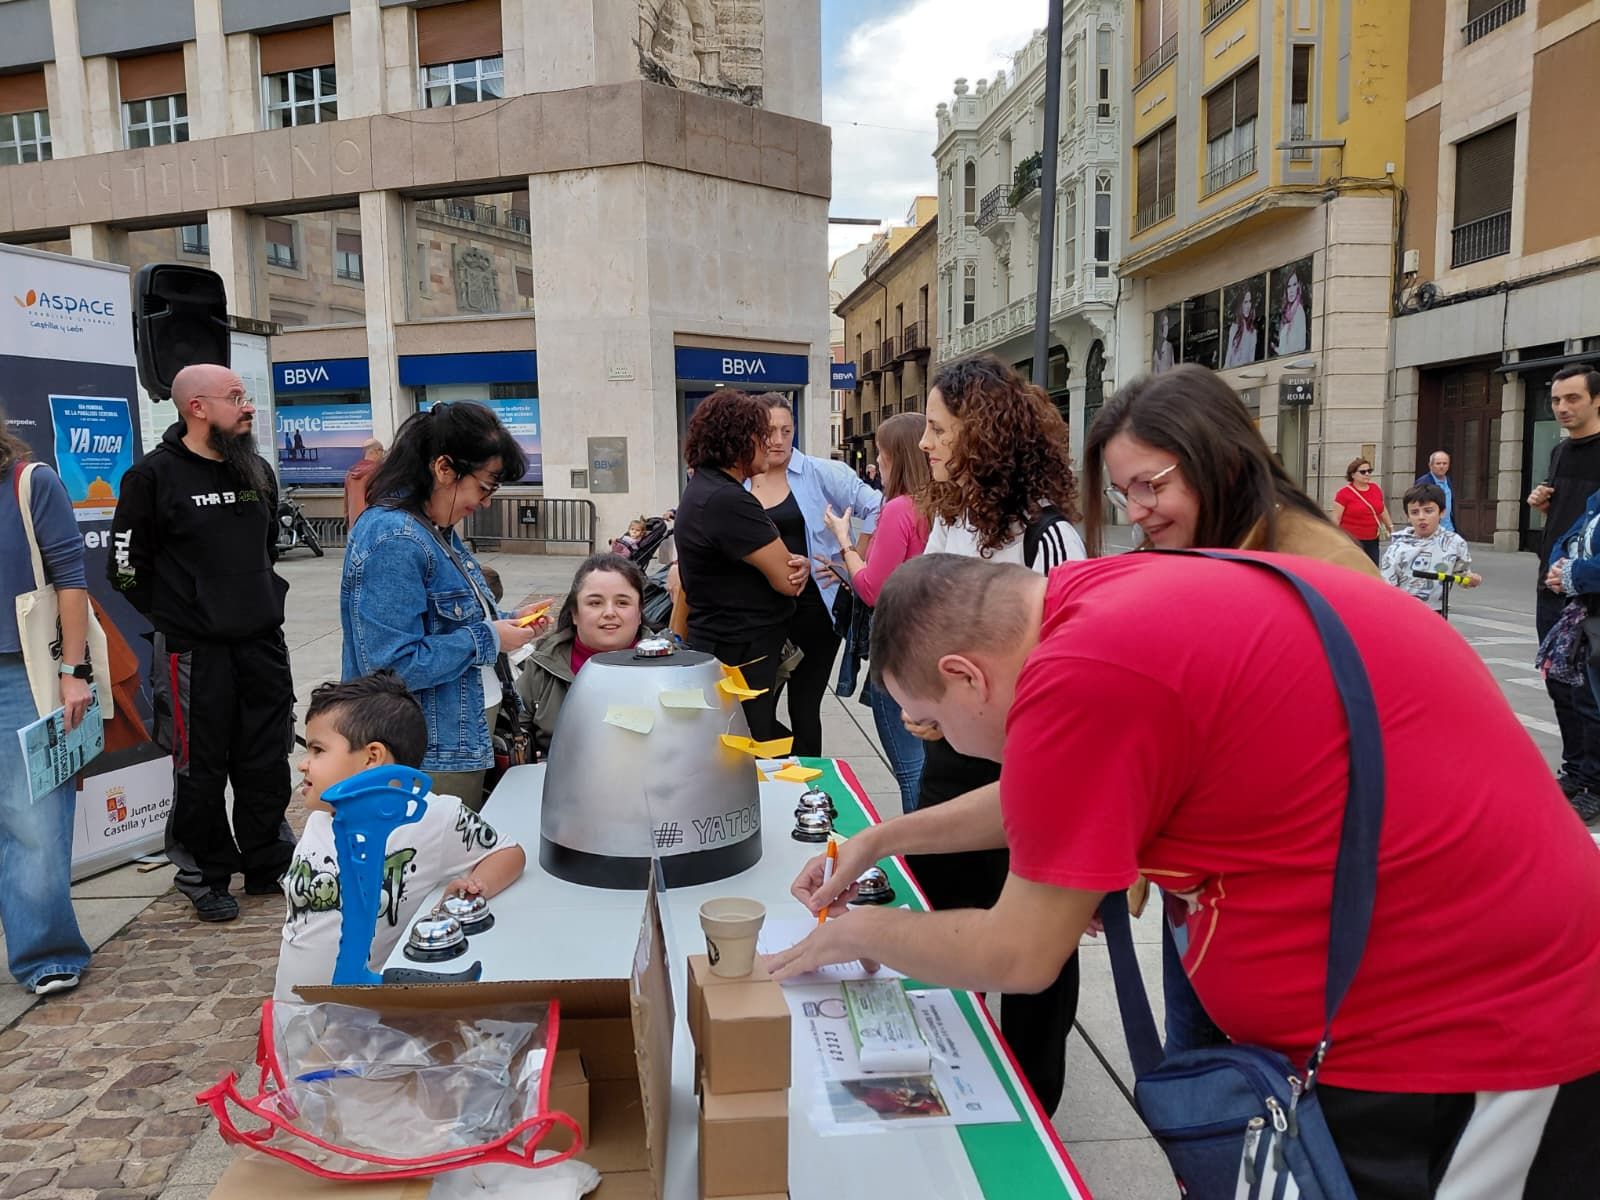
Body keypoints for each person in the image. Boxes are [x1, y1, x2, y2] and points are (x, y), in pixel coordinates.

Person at [772, 552, 1600, 1194]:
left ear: (966, 676)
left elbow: (1018, 955)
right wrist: (882, 840)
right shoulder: (1085, 607)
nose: (933, 739)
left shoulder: (1076, 675)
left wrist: (860, 931)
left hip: (1475, 1034)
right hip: (1409, 1007)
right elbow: (1052, 789)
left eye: (928, 723)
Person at [907, 353, 1084, 1116]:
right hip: (948, 760)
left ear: (981, 434)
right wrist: (923, 701)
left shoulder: (1049, 536)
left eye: (939, 428)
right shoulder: (948, 519)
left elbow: (1068, 666)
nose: (925, 442)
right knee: (946, 926)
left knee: (1035, 957)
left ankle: (1031, 1108)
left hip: (1024, 772)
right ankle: (956, 1084)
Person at [109, 364, 297, 923]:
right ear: (197, 407)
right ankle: (205, 873)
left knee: (267, 759)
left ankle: (267, 861)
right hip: (193, 654)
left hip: (261, 644)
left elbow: (266, 547)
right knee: (199, 768)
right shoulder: (152, 477)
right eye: (236, 397)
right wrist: (179, 614)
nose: (248, 406)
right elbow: (124, 568)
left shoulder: (256, 470)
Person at [341, 402, 549, 813]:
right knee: (431, 849)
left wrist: (507, 624)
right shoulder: (396, 538)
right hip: (427, 754)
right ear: (444, 469)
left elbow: (446, 623)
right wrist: (488, 637)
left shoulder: (432, 528)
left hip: (455, 736)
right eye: (485, 487)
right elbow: (390, 667)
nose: (485, 502)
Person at [273, 672, 525, 1001]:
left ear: (371, 757)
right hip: (292, 1012)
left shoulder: (434, 816)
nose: (303, 764)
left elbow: (508, 852)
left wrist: (475, 888)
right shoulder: (320, 820)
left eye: (318, 750)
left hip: (364, 1017)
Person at [1083, 366, 1378, 578]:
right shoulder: (1175, 556)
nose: (1134, 514)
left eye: (1150, 486)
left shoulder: (1329, 569)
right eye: (1123, 494)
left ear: (1224, 464)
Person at [1, 429, 93, 995]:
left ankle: (46, 953)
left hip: (20, 671)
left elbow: (70, 581)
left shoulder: (29, 482)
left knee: (32, 822)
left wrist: (73, 670)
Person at [749, 394, 882, 756]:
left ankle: (810, 784)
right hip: (759, 615)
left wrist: (851, 560)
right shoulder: (742, 479)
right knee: (755, 709)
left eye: (786, 430)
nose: (778, 440)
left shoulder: (821, 473)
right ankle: (778, 770)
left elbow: (878, 507)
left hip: (815, 611)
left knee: (804, 708)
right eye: (769, 431)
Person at [675, 390, 808, 740]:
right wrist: (798, 567)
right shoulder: (728, 500)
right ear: (739, 440)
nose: (770, 443)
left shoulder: (704, 488)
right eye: (761, 435)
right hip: (740, 653)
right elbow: (788, 580)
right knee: (743, 747)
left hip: (727, 646)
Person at [820, 412, 931, 813]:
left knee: (911, 770)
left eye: (881, 453)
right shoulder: (942, 507)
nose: (877, 462)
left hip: (901, 651)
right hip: (935, 648)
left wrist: (844, 542)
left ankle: (919, 846)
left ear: (896, 457)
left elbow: (872, 588)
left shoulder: (899, 509)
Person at [1528, 364, 1600, 815]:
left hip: (1589, 593)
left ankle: (1595, 781)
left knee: (1589, 692)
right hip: (1550, 585)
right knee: (1559, 684)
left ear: (1597, 400)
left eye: (1573, 398)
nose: (1562, 407)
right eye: (1556, 400)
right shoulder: (1559, 452)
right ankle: (1575, 770)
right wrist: (1542, 507)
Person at [516, 553, 648, 760]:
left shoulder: (672, 668)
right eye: (595, 603)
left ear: (639, 613)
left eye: (622, 603)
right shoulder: (541, 667)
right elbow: (515, 730)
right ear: (574, 613)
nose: (609, 612)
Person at [1380, 483, 1481, 611]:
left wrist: (1470, 579)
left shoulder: (1454, 542)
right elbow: (1387, 584)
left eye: (1428, 511)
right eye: (1415, 512)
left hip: (1437, 610)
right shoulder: (1397, 547)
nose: (1421, 517)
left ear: (1442, 512)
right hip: (1404, 610)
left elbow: (1461, 574)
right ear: (1408, 516)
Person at [1331, 456, 1392, 566]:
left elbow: (1382, 509)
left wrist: (1390, 527)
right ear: (1353, 475)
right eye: (1363, 472)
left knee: (1372, 567)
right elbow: (1336, 518)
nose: (1367, 474)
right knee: (1353, 568)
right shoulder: (1344, 494)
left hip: (1372, 539)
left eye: (1369, 471)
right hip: (1352, 540)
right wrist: (1334, 538)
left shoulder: (1375, 488)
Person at [343, 438, 385, 530]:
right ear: (377, 451)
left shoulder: (350, 474)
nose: (383, 455)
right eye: (383, 451)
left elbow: (346, 504)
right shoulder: (378, 473)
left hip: (354, 525)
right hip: (371, 526)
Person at [1415, 449, 1456, 534]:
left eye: (1445, 463)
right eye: (1438, 463)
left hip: (1449, 529)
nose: (1441, 466)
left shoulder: (1448, 480)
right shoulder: (1423, 482)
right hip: (1432, 531)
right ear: (1430, 465)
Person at [1221, 286, 1260, 369]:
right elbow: (1229, 355)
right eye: (1245, 302)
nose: (1248, 306)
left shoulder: (1253, 332)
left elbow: (1251, 359)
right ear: (1240, 304)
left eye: (1250, 302)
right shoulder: (1234, 328)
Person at [1274, 269, 1308, 356]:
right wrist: (1276, 349)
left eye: (1294, 285)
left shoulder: (1299, 311)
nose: (1291, 290)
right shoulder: (1287, 313)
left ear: (1298, 287)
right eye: (1289, 286)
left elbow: (1300, 347)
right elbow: (1285, 349)